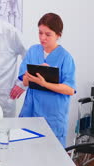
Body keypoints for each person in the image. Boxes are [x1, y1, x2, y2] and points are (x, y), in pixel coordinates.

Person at [18, 13, 76, 147]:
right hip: (31, 111)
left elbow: (70, 90)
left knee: (52, 158)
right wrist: (30, 76)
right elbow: (24, 82)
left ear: (58, 35)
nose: (42, 38)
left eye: (48, 34)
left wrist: (44, 83)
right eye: (40, 33)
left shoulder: (65, 58)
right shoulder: (33, 51)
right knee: (28, 152)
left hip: (53, 115)